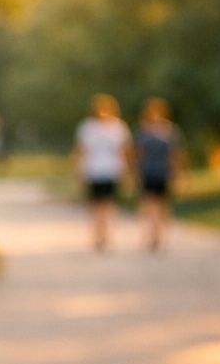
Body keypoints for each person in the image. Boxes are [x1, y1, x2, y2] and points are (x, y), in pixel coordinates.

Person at [72, 93, 132, 251]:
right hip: (93, 171)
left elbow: (124, 152)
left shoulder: (118, 127)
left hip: (112, 170)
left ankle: (106, 232)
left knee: (109, 204)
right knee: (95, 204)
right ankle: (97, 233)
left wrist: (126, 173)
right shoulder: (87, 127)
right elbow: (81, 151)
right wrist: (79, 172)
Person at [133, 97, 184, 251]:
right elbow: (139, 154)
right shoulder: (144, 131)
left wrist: (177, 171)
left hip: (163, 172)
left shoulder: (170, 131)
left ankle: (159, 232)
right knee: (149, 203)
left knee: (162, 204)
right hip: (148, 171)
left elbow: (175, 154)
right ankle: (152, 233)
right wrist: (136, 171)